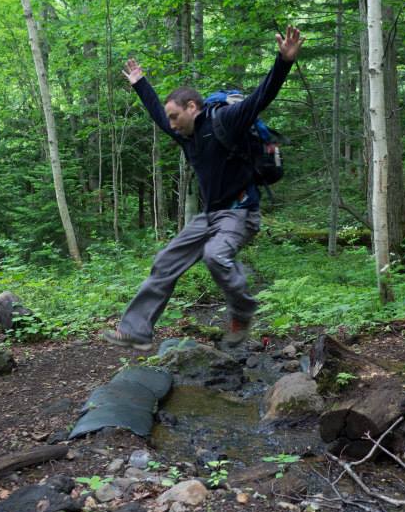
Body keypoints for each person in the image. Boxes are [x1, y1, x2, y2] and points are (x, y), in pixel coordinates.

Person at [102, 25, 304, 349]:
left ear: (192, 108)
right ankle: (137, 330)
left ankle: (243, 311)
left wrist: (284, 62)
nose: (171, 124)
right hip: (210, 217)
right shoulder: (185, 134)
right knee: (166, 261)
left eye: (174, 116)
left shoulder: (227, 120)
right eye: (170, 119)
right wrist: (140, 83)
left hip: (240, 213)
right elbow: (157, 114)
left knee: (215, 256)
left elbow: (261, 97)